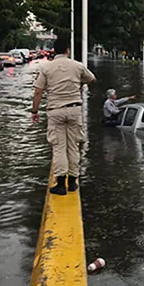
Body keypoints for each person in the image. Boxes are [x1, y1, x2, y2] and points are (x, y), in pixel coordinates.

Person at [31, 38, 96, 196]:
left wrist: (34, 111)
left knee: (59, 147)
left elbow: (38, 91)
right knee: (73, 146)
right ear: (68, 50)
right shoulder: (77, 66)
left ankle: (61, 184)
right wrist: (78, 84)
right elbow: (92, 79)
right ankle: (73, 182)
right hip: (74, 109)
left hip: (55, 110)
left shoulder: (46, 68)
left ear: (54, 51)